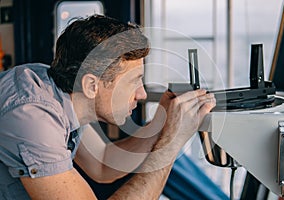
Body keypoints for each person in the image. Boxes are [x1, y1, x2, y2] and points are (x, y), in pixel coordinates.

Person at [0, 14, 216, 199]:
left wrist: (163, 122)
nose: (141, 94)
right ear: (92, 85)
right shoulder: (33, 117)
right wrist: (172, 142)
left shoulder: (63, 93)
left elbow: (102, 163)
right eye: (133, 81)